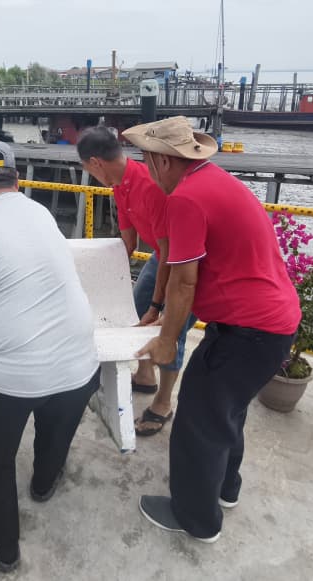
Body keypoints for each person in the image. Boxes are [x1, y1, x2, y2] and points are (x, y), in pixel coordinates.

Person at [124, 117, 300, 542]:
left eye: (146, 161)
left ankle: (195, 518)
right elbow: (198, 272)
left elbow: (185, 279)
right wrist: (162, 311)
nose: (146, 169)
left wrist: (166, 343)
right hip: (270, 324)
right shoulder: (215, 178)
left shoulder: (186, 199)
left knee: (199, 421)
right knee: (226, 412)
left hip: (249, 330)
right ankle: (225, 489)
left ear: (163, 161)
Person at [0, 139, 100, 573]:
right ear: (18, 181)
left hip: (9, 379)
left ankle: (5, 548)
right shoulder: (43, 214)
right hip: (81, 366)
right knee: (55, 427)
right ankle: (44, 484)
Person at [77, 126, 196, 437]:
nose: (90, 175)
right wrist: (91, 279)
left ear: (95, 162)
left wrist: (158, 305)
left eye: (87, 169)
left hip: (187, 262)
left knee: (170, 328)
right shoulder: (119, 183)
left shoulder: (148, 185)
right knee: (134, 308)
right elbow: (127, 244)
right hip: (163, 254)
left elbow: (172, 256)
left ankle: (163, 402)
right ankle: (145, 375)